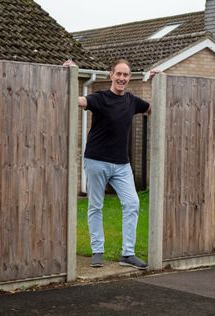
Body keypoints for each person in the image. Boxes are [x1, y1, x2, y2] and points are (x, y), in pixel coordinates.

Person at [64, 58, 159, 270]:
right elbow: (75, 100)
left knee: (132, 203)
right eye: (119, 74)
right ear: (111, 75)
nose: (122, 79)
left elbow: (153, 108)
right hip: (96, 160)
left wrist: (155, 81)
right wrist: (68, 75)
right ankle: (97, 251)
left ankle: (128, 254)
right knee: (95, 205)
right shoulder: (99, 98)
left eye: (126, 75)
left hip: (122, 165)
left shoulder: (132, 101)